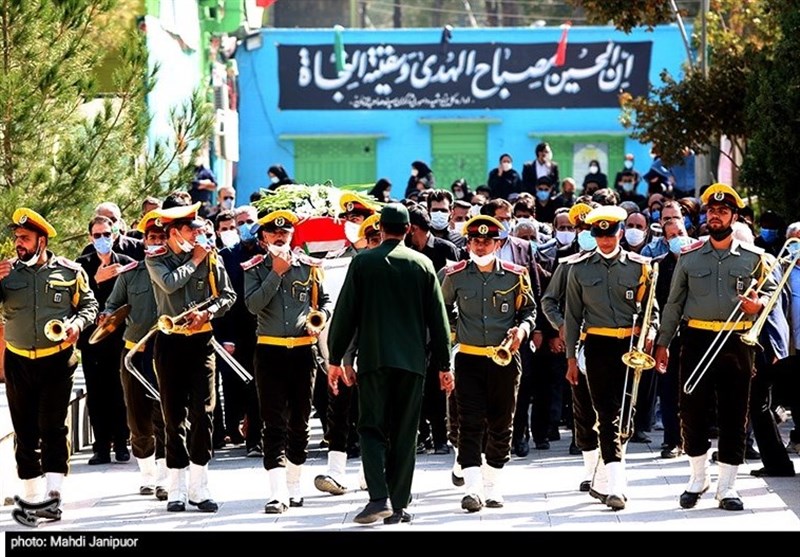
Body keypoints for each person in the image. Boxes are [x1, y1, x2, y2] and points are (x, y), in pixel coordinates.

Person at [326, 203, 452, 526]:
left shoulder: (363, 262)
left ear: (380, 229)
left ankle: (378, 497)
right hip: (412, 363)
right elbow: (438, 320)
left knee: (371, 428)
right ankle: (398, 504)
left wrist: (335, 358)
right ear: (409, 229)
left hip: (374, 360)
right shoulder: (423, 264)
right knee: (405, 432)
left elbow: (345, 314)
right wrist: (444, 363)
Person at [653, 183, 776, 512]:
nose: (716, 216)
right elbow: (674, 303)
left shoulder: (754, 257)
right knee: (691, 409)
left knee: (735, 413)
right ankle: (698, 478)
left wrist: (758, 305)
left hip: (737, 341)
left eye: (723, 211)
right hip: (696, 338)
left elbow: (770, 294)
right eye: (711, 211)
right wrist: (662, 342)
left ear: (734, 217)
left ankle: (728, 487)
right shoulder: (689, 256)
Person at [0, 208, 98, 517]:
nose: (19, 243)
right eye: (17, 238)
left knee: (53, 427)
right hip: (17, 361)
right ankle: (31, 497)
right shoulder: (7, 272)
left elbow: (90, 305)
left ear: (41, 241)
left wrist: (77, 325)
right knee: (24, 430)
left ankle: (54, 495)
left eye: (25, 238)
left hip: (57, 360)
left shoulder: (70, 272)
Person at [145, 200, 237, 513]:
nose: (196, 234)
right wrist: (196, 260)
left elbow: (228, 295)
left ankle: (200, 485)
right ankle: (177, 487)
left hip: (201, 342)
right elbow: (169, 285)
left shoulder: (209, 257)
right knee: (173, 416)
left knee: (204, 411)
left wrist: (208, 312)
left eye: (197, 229)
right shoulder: (156, 259)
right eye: (189, 229)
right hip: (170, 342)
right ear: (173, 232)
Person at [564, 205, 658, 511]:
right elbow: (572, 317)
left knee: (627, 415)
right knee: (607, 414)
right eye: (599, 234)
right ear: (593, 235)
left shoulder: (640, 267)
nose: (605, 240)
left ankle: (605, 476)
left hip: (630, 346)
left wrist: (650, 332)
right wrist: (570, 359)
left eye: (610, 233)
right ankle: (617, 485)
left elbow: (652, 310)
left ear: (620, 233)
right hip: (597, 345)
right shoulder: (579, 269)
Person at [440, 215, 536, 512]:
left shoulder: (515, 275)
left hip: (504, 359)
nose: (480, 246)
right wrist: (453, 337)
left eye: (487, 241)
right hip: (468, 358)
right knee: (469, 423)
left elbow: (529, 311)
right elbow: (441, 310)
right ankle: (472, 488)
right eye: (475, 241)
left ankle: (492, 484)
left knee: (501, 422)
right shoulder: (454, 275)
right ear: (468, 243)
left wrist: (522, 331)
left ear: (498, 243)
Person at [243, 209, 330, 513]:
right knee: (273, 421)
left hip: (303, 351)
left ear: (293, 235)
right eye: (273, 232)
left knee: (300, 422)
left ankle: (294, 483)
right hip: (270, 351)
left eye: (285, 232)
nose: (280, 237)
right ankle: (277, 491)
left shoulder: (309, 266)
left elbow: (325, 301)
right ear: (263, 238)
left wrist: (320, 318)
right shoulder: (255, 268)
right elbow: (253, 305)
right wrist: (276, 273)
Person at [101, 210, 169, 499]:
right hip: (134, 353)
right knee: (137, 417)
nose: (157, 241)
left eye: (162, 237)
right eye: (152, 237)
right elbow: (113, 304)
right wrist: (106, 315)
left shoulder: (177, 272)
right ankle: (147, 474)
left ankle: (166, 476)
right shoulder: (131, 274)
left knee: (166, 414)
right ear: (144, 241)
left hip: (166, 352)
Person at [541, 202, 605, 494]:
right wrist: (561, 326)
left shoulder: (625, 262)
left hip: (615, 344)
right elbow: (549, 300)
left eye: (589, 227)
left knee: (612, 410)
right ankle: (591, 470)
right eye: (581, 228)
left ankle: (609, 469)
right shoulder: (568, 263)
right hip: (581, 345)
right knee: (583, 409)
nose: (585, 233)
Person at [76, 215, 136, 465]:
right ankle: (101, 447)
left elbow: (135, 299)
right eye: (97, 235)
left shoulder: (127, 263)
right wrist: (96, 281)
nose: (102, 239)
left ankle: (122, 443)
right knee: (97, 394)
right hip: (92, 341)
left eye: (107, 234)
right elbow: (75, 300)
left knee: (120, 391)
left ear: (115, 234)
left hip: (120, 339)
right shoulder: (82, 265)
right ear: (90, 237)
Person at [651, 218, 693, 460]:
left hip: (695, 333)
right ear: (666, 240)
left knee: (694, 390)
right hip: (668, 335)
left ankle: (691, 438)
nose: (678, 238)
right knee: (668, 390)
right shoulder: (659, 266)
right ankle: (672, 440)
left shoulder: (698, 260)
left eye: (681, 232)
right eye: (672, 235)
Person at [80, 202, 145, 261]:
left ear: (119, 221)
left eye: (113, 220)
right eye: (104, 220)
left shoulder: (137, 247)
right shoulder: (89, 250)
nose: (109, 224)